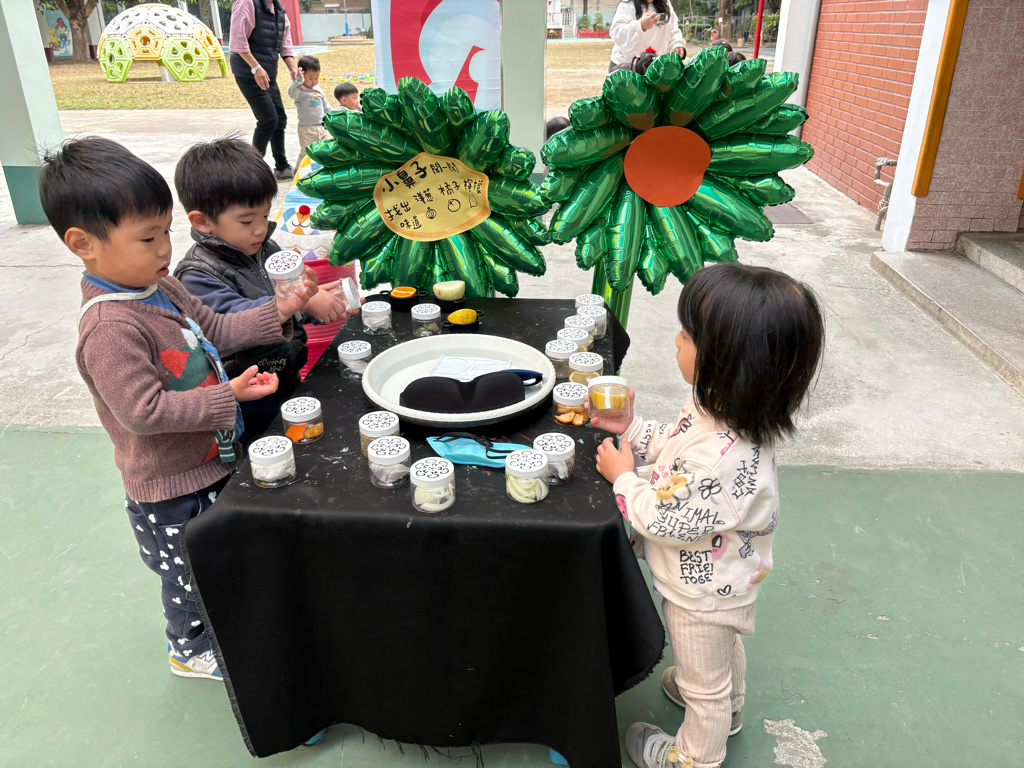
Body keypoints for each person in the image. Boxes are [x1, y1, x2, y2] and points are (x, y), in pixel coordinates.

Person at [40, 137, 316, 681]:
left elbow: (216, 328)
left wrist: (277, 310)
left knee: (217, 552)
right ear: (83, 243)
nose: (165, 249)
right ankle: (188, 649)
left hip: (211, 457)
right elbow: (142, 411)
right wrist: (228, 397)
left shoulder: (161, 285)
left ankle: (226, 620)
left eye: (166, 231)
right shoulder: (110, 328)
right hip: (168, 485)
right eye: (148, 238)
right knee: (186, 571)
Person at [591, 264, 825, 768]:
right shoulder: (714, 407)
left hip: (702, 593)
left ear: (729, 362)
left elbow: (664, 519)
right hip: (722, 580)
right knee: (722, 648)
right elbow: (674, 450)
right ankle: (729, 702)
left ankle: (695, 755)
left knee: (704, 684)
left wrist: (624, 478)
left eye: (689, 335)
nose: (677, 340)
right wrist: (631, 429)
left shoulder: (724, 460)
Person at [173, 137, 351, 448]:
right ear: (202, 222)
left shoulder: (265, 248)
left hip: (286, 379)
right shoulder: (198, 275)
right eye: (246, 221)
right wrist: (302, 303)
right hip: (246, 400)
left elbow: (289, 300)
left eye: (265, 215)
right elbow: (231, 324)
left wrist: (316, 298)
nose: (260, 229)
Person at [229, 0, 299, 181]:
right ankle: (252, 171)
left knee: (280, 118)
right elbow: (238, 42)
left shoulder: (279, 11)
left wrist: (293, 68)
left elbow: (285, 45)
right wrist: (256, 68)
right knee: (268, 119)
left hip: (267, 73)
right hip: (248, 72)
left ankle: (282, 167)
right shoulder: (247, 3)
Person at [609, 0, 685, 74]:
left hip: (653, 67)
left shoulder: (666, 4)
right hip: (626, 68)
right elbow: (616, 33)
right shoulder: (627, 4)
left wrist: (676, 44)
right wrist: (640, 25)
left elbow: (672, 28)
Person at [287, 55, 330, 164]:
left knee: (327, 148)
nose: (314, 81)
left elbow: (326, 106)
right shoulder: (299, 89)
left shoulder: (318, 89)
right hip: (306, 129)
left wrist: (332, 118)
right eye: (310, 78)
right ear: (302, 74)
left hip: (322, 127)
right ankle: (298, 170)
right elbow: (292, 94)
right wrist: (298, 81)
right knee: (306, 153)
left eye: (316, 78)